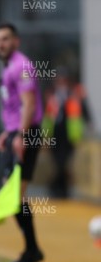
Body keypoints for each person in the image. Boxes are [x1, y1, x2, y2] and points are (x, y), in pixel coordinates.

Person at [0, 22, 44, 262]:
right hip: (16, 132)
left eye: (5, 39)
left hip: (27, 133)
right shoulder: (9, 66)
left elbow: (29, 104)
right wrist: (8, 132)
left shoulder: (22, 66)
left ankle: (32, 250)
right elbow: (14, 106)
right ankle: (32, 249)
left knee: (14, 195)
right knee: (10, 193)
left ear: (16, 41)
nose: (0, 43)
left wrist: (21, 136)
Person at [43, 68, 91, 198]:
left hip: (69, 135)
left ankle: (61, 189)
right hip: (54, 134)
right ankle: (57, 189)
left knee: (64, 162)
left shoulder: (74, 94)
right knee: (56, 163)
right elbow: (47, 116)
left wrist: (88, 124)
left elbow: (83, 110)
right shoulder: (51, 95)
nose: (61, 82)